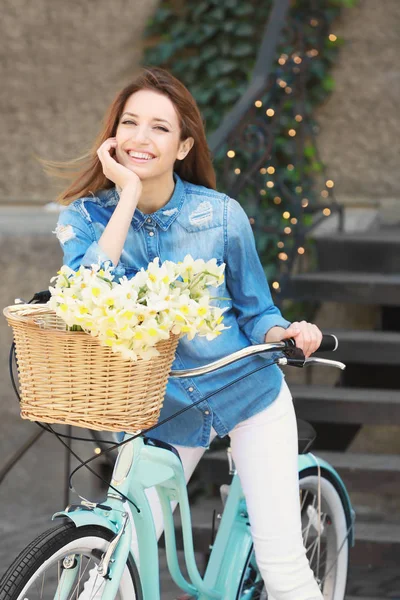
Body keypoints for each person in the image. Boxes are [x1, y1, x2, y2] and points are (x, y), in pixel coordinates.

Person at [48, 66, 323, 599]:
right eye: (130, 123)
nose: (140, 138)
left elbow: (255, 309)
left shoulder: (220, 215)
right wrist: (125, 194)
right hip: (163, 405)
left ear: (183, 146)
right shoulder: (84, 217)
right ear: (112, 134)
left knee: (281, 563)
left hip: (247, 390)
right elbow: (81, 297)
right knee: (118, 548)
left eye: (159, 127)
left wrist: (286, 330)